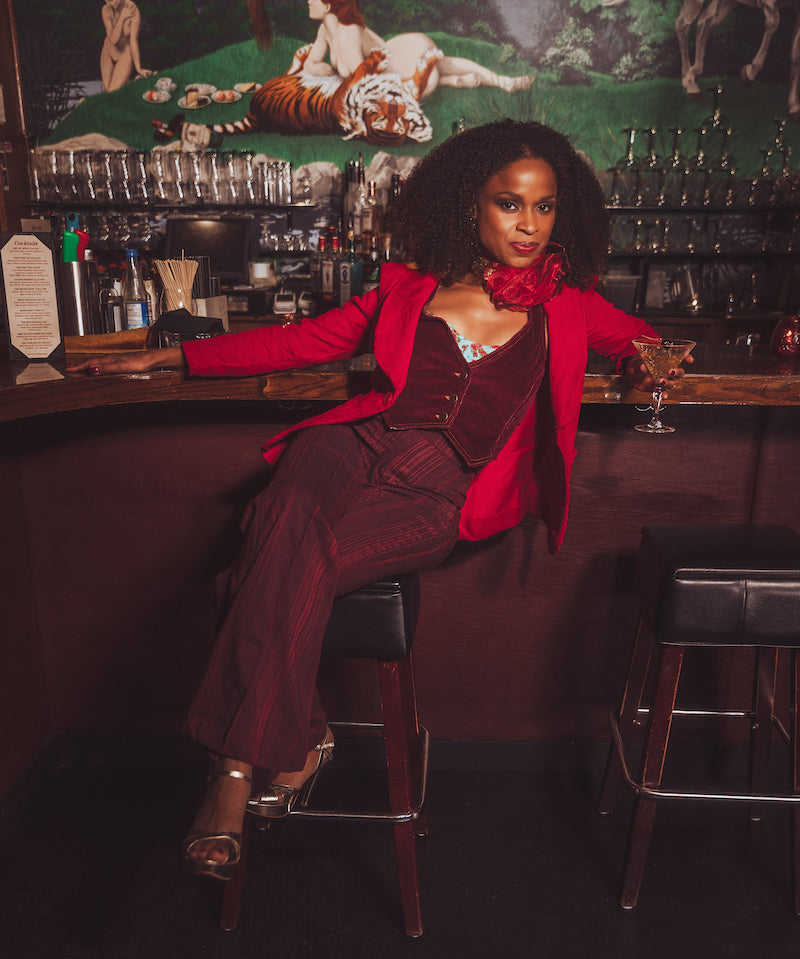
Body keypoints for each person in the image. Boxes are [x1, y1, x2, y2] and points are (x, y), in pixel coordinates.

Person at [68, 119, 689, 881]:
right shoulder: (410, 288)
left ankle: (286, 741)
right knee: (285, 514)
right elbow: (298, 341)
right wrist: (173, 354)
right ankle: (237, 769)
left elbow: (646, 342)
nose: (529, 225)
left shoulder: (570, 304)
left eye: (545, 207)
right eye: (509, 204)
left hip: (435, 488)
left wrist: (644, 367)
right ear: (471, 208)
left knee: (264, 557)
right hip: (347, 446)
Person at [302, 0, 531, 97]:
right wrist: (313, 67)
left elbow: (366, 82)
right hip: (396, 63)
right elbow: (311, 62)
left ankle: (503, 82)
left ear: (328, 5)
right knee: (443, 65)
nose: (308, 2)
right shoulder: (325, 31)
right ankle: (452, 82)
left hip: (404, 65)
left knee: (441, 63)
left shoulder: (349, 33)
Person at [100, 0, 153, 92]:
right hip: (107, 52)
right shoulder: (105, 9)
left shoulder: (133, 11)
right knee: (107, 91)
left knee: (112, 92)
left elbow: (133, 41)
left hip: (124, 54)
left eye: (112, 0)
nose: (110, 4)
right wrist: (122, 17)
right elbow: (113, 40)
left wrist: (138, 68)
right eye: (107, 1)